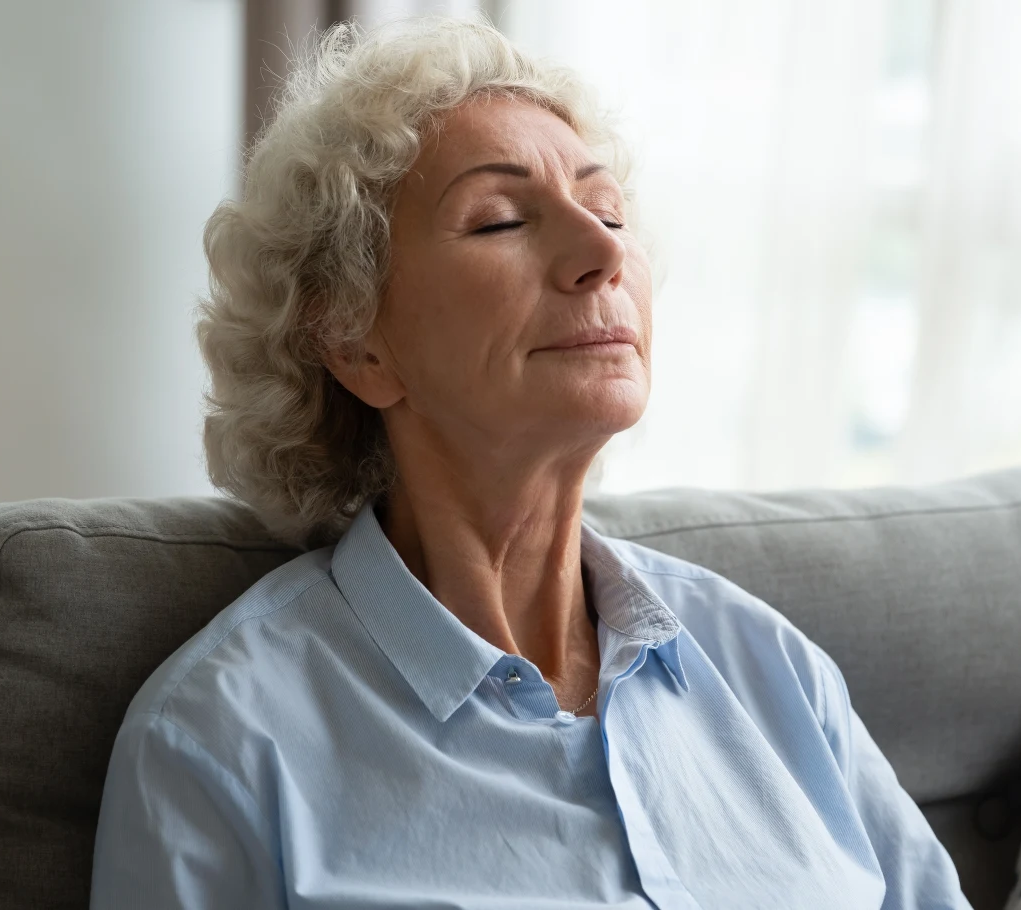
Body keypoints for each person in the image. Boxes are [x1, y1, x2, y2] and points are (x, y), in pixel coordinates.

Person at [90, 15, 972, 909]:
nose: (603, 252)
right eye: (501, 220)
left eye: (610, 210)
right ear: (355, 343)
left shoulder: (774, 672)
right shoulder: (220, 741)